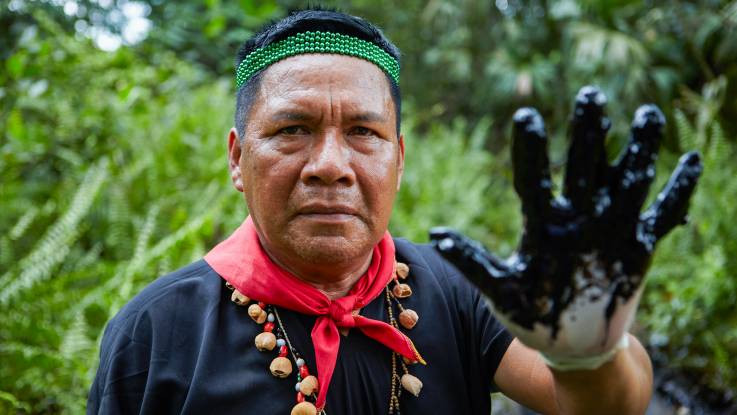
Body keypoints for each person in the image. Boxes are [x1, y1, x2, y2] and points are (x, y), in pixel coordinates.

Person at [88, 8, 702, 415]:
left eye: (363, 132)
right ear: (236, 157)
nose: (329, 163)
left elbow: (604, 403)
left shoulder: (458, 289)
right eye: (292, 129)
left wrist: (589, 347)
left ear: (399, 159)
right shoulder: (155, 333)